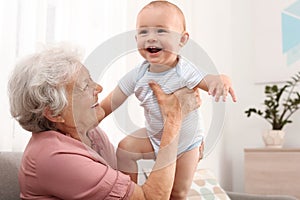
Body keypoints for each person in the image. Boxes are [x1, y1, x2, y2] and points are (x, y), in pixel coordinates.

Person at [7, 44, 201, 199]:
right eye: (85, 85)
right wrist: (173, 121)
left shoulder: (88, 132)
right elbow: (150, 198)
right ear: (54, 113)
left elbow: (126, 190)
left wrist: (187, 141)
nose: (98, 88)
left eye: (91, 79)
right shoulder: (55, 157)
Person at [100, 1, 237, 199]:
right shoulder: (137, 76)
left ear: (182, 40)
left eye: (161, 31)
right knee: (125, 149)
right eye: (144, 32)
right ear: (136, 38)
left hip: (187, 143)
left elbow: (210, 80)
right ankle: (129, 193)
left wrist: (223, 79)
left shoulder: (185, 70)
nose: (151, 38)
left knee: (177, 192)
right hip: (155, 137)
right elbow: (106, 106)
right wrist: (87, 121)